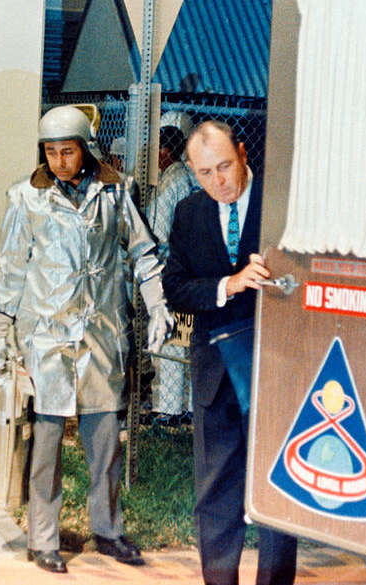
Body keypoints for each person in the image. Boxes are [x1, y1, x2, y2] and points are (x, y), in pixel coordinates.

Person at [0, 105, 173, 574]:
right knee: (45, 446)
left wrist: (159, 304)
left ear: (86, 148)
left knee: (106, 445)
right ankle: (42, 537)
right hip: (47, 339)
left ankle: (108, 531)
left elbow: (143, 251)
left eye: (68, 151)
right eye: (51, 151)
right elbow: (12, 267)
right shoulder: (26, 197)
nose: (60, 160)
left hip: (102, 337)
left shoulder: (116, 191)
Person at [162, 120, 298, 585]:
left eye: (224, 166)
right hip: (216, 372)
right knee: (216, 491)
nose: (217, 181)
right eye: (204, 173)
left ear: (243, 153)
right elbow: (175, 288)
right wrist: (229, 284)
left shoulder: (282, 203)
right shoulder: (188, 213)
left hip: (276, 367)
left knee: (278, 488)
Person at [148, 111, 200, 426]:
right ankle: (188, 406)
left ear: (166, 150)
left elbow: (159, 230)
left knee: (171, 340)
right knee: (184, 340)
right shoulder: (187, 177)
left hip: (171, 269)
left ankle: (169, 408)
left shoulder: (172, 180)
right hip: (188, 269)